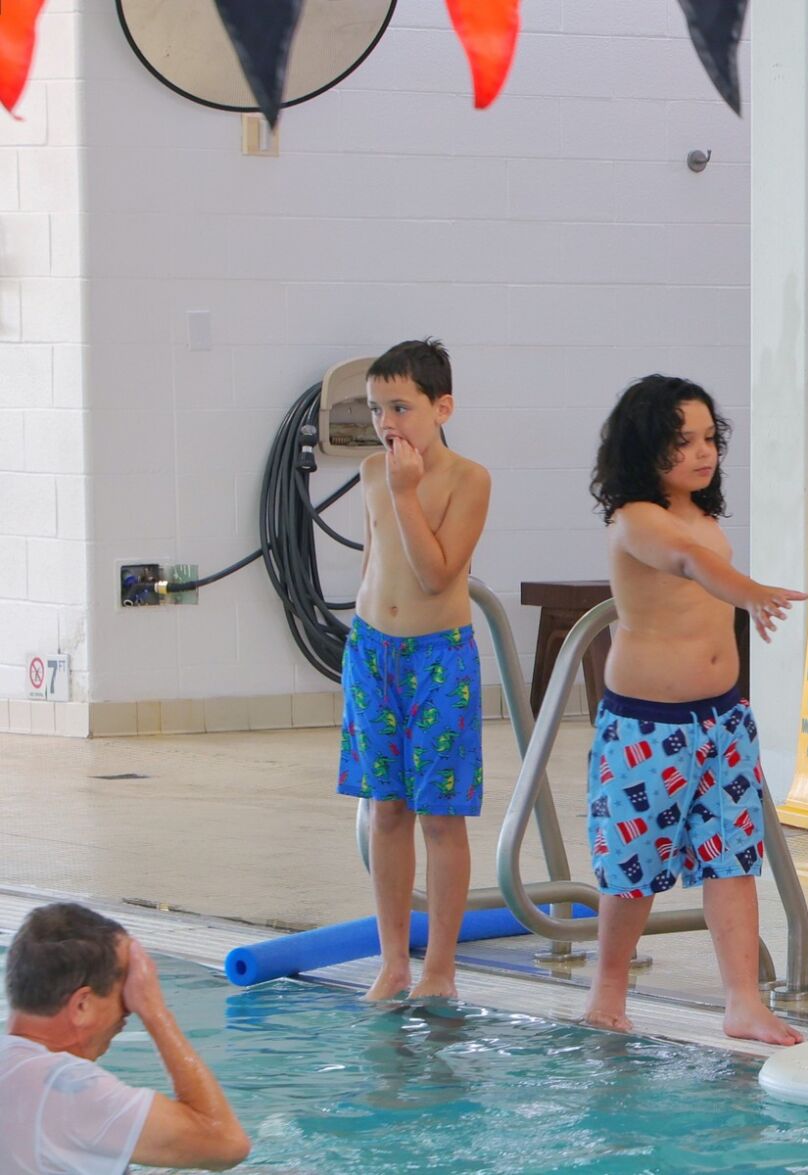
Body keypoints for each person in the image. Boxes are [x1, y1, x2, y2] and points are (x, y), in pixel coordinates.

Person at [584, 374, 805, 1046]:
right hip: (648, 727)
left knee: (732, 859)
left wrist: (743, 597)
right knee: (634, 871)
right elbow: (686, 563)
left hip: (722, 718)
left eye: (709, 437)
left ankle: (743, 999)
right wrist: (752, 592)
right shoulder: (637, 519)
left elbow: (699, 552)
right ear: (643, 449)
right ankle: (608, 985)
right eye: (682, 442)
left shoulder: (702, 516)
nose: (702, 451)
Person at [339, 337, 493, 1002]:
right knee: (387, 808)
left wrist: (407, 495)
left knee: (439, 816)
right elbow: (374, 563)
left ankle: (441, 967)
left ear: (443, 407)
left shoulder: (468, 480)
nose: (386, 423)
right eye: (376, 410)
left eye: (400, 406)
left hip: (438, 658)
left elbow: (434, 574)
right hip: (374, 652)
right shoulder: (374, 473)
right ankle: (394, 959)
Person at [1, 902, 251, 1173]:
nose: (127, 1011)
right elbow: (227, 1144)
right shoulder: (67, 1089)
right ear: (82, 1005)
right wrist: (155, 1013)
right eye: (127, 992)